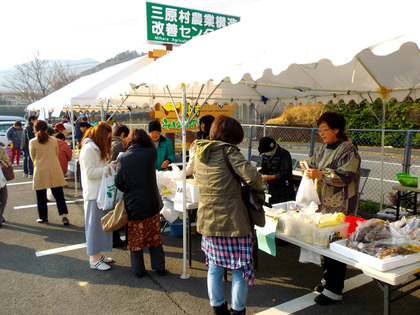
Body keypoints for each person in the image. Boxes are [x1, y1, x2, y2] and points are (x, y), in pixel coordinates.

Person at [194, 115, 263, 315]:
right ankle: (238, 311)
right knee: (239, 269)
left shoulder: (199, 151)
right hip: (233, 220)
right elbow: (254, 178)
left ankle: (218, 308)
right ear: (233, 136)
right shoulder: (229, 152)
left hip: (208, 218)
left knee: (214, 268)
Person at [300, 111, 360, 305]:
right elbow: (314, 163)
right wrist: (306, 165)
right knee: (326, 246)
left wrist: (320, 174)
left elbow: (345, 176)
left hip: (342, 207)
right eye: (319, 130)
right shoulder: (323, 148)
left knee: (336, 247)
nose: (321, 133)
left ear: (336, 129)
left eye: (325, 129)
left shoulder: (348, 149)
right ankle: (328, 282)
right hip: (325, 206)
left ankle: (335, 290)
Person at [115, 128, 166, 278]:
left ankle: (138, 270)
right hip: (151, 201)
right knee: (154, 236)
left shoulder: (123, 158)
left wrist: (129, 189)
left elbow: (119, 182)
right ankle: (159, 267)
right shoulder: (152, 154)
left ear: (130, 140)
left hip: (133, 203)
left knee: (135, 239)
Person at [79, 122, 114, 271]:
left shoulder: (94, 148)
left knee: (101, 227)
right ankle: (93, 258)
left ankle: (98, 255)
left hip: (100, 193)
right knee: (94, 228)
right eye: (106, 138)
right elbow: (90, 173)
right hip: (94, 194)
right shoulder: (88, 149)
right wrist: (107, 168)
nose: (107, 141)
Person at [29, 120, 69, 225]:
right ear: (47, 128)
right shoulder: (53, 140)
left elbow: (33, 157)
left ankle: (43, 217)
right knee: (59, 194)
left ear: (35, 129)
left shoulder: (33, 141)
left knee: (41, 196)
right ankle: (64, 216)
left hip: (41, 170)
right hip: (54, 168)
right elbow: (56, 153)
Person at [258, 136, 295, 204]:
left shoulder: (284, 154)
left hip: (284, 189)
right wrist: (260, 173)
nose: (266, 154)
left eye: (266, 152)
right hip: (272, 188)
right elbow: (264, 168)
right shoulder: (265, 155)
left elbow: (285, 173)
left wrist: (270, 177)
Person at [110, 123, 130, 248]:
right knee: (122, 209)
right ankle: (121, 239)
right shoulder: (120, 145)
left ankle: (114, 238)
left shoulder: (109, 143)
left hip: (110, 182)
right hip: (119, 181)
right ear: (122, 135)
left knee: (113, 210)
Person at [0, 146, 10, 228]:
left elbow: (7, 161)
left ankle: (0, 215)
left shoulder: (1, 149)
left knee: (4, 198)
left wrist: (2, 163)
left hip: (1, 179)